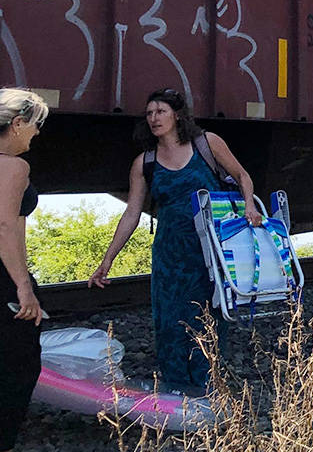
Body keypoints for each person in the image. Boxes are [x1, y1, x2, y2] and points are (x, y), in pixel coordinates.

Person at [89, 88, 258, 393]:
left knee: (208, 317)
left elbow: (242, 175)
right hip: (169, 253)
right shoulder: (145, 162)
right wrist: (107, 259)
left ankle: (207, 388)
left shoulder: (208, 143)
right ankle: (177, 390)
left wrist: (250, 204)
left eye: (161, 111)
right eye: (150, 113)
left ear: (177, 115)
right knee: (169, 321)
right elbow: (131, 214)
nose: (154, 118)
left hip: (208, 251)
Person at [0, 89, 49, 452]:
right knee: (18, 367)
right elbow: (4, 227)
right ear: (17, 124)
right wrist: (23, 286)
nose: (36, 133)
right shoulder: (13, 166)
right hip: (2, 279)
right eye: (34, 125)